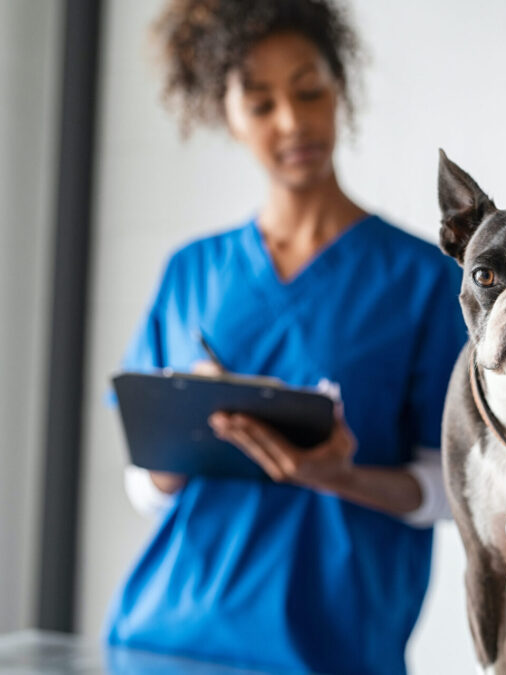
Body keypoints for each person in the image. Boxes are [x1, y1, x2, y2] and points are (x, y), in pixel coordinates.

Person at [104, 1, 465, 673]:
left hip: (330, 647)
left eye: (308, 90)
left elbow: (452, 488)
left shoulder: (421, 281)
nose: (293, 121)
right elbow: (146, 486)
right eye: (261, 102)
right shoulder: (192, 272)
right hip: (159, 637)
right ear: (226, 112)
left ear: (340, 89)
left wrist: (339, 476)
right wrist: (187, 431)